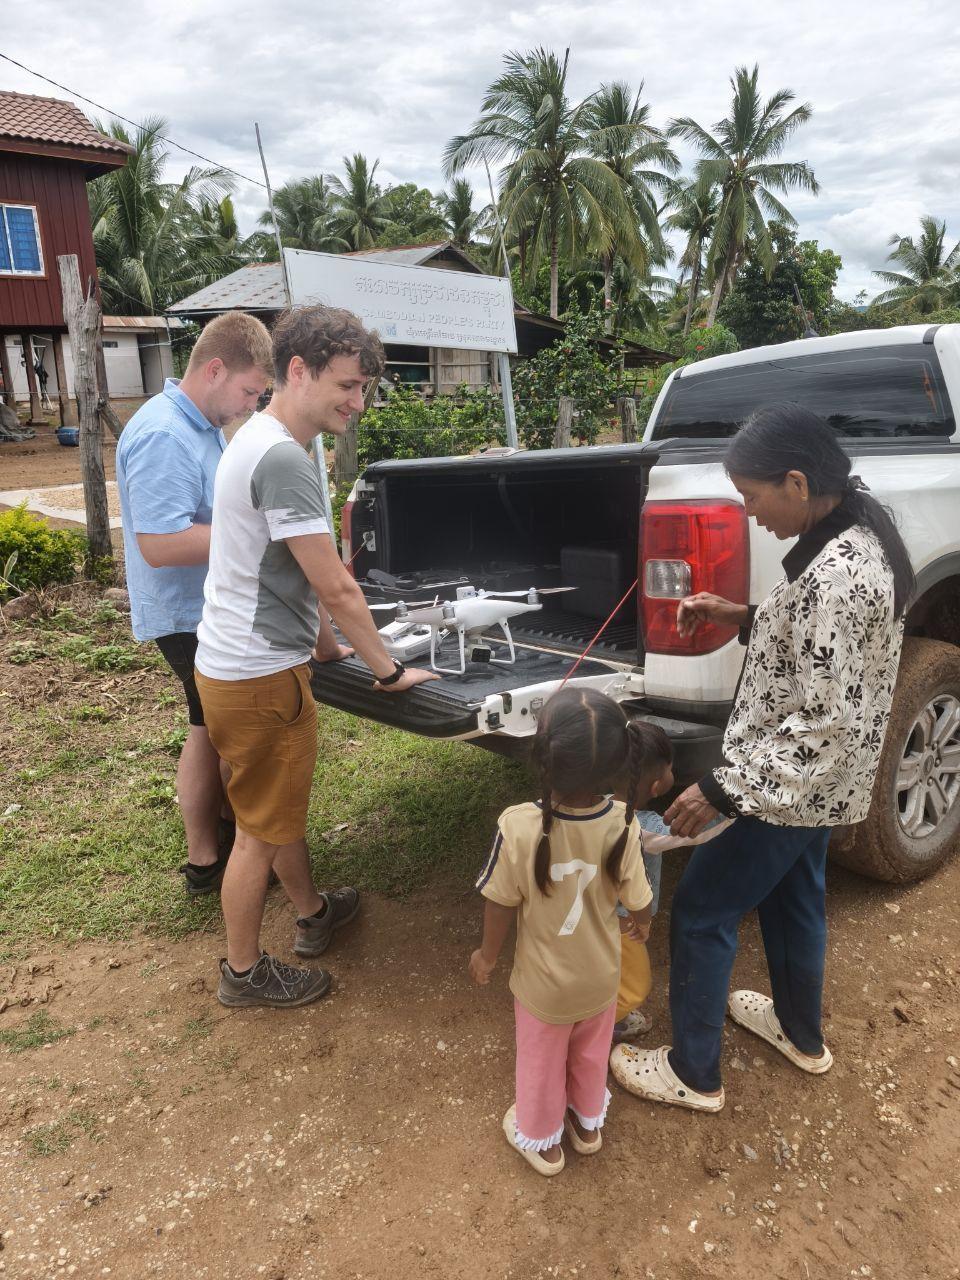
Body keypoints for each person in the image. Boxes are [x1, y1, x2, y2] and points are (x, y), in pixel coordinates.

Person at [611, 403, 912, 1111]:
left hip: (788, 785)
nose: (750, 513)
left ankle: (693, 1073)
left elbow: (823, 720)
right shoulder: (854, 532)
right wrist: (741, 616)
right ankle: (800, 1034)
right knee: (795, 898)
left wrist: (721, 787)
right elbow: (820, 649)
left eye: (751, 497)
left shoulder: (838, 575)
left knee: (702, 908)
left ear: (797, 484)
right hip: (822, 787)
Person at [194, 305, 438, 1010]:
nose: (358, 402)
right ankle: (242, 974)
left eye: (365, 388)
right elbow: (334, 583)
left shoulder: (257, 441)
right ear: (296, 371)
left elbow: (285, 571)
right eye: (348, 385)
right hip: (259, 676)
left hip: (242, 664)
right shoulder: (282, 459)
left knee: (274, 809)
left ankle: (312, 915)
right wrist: (388, 672)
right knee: (258, 833)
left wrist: (326, 650)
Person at [469, 689, 669, 1176]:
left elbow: (498, 902)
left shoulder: (517, 825)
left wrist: (488, 955)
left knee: (540, 1060)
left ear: (543, 759)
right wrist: (640, 928)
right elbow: (640, 901)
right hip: (600, 979)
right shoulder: (623, 825)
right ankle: (587, 1125)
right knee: (589, 1051)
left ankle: (544, 1144)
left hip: (543, 987)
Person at [116, 313, 274, 894]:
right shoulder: (165, 434)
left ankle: (214, 850)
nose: (252, 405)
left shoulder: (200, 424)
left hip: (204, 607)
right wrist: (252, 530)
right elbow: (160, 543)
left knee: (207, 726)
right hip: (187, 615)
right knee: (218, 727)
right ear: (214, 369)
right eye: (249, 391)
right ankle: (213, 858)